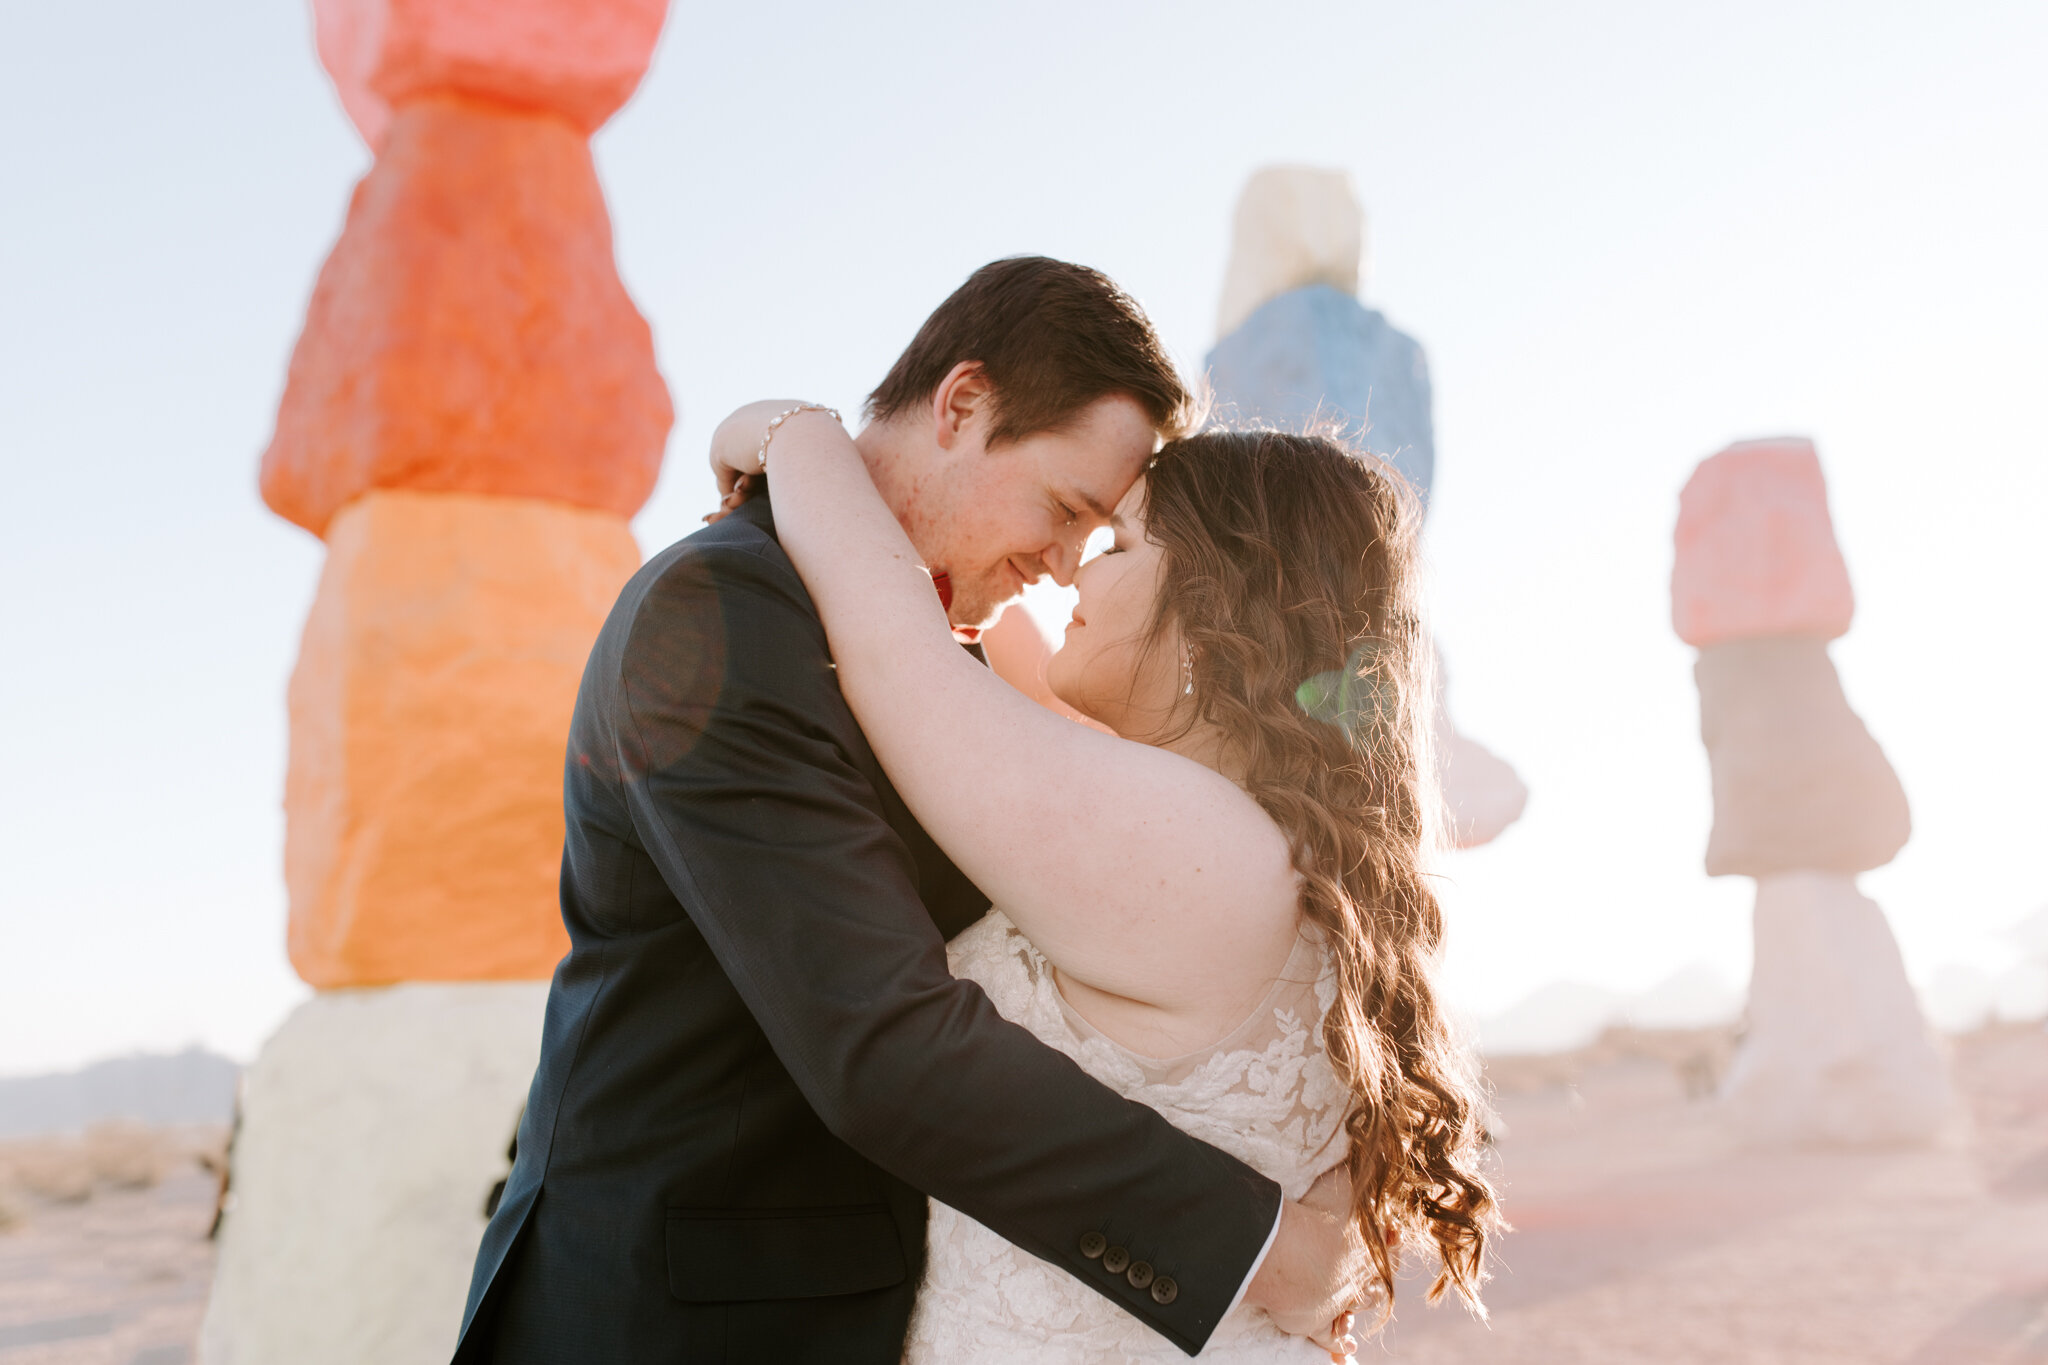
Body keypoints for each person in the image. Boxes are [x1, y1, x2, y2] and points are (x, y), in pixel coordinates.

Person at [452, 258, 1372, 1364]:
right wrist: (1252, 1245)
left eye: (1100, 541)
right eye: (1065, 509)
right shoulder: (723, 613)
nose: (1058, 566)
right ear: (962, 404)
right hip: (676, 1306)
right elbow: (875, 1042)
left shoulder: (950, 674)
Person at [703, 406, 1500, 1360]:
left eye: (1117, 540)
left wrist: (789, 431)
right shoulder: (1249, 836)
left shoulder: (1191, 842)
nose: (1075, 564)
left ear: (1214, 605)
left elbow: (894, 646)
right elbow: (999, 654)